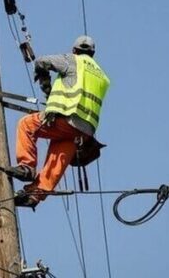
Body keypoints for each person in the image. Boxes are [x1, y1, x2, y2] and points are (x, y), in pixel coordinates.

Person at [11, 35, 110, 208]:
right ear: (93, 53)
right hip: (84, 131)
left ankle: (26, 167)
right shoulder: (102, 75)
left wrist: (45, 82)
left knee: (26, 125)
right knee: (58, 158)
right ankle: (34, 195)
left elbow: (42, 62)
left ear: (74, 51)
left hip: (68, 120)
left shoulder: (73, 60)